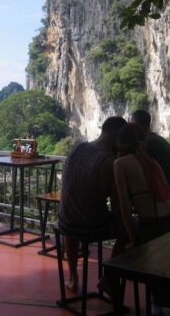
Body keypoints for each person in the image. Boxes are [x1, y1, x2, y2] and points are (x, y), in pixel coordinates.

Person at [113, 123, 170, 309]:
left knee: (158, 282)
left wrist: (133, 241)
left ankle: (110, 284)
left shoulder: (120, 164)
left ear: (119, 142)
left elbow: (124, 206)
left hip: (155, 226)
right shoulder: (150, 160)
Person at [58, 116, 127, 292]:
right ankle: (110, 277)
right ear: (117, 136)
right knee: (130, 228)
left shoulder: (79, 148)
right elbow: (118, 208)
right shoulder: (109, 161)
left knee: (71, 222)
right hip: (91, 225)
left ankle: (73, 277)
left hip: (66, 221)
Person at [130, 109, 170, 192]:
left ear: (135, 124)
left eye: (130, 125)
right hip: (168, 190)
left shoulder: (146, 143)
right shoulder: (160, 140)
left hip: (158, 193)